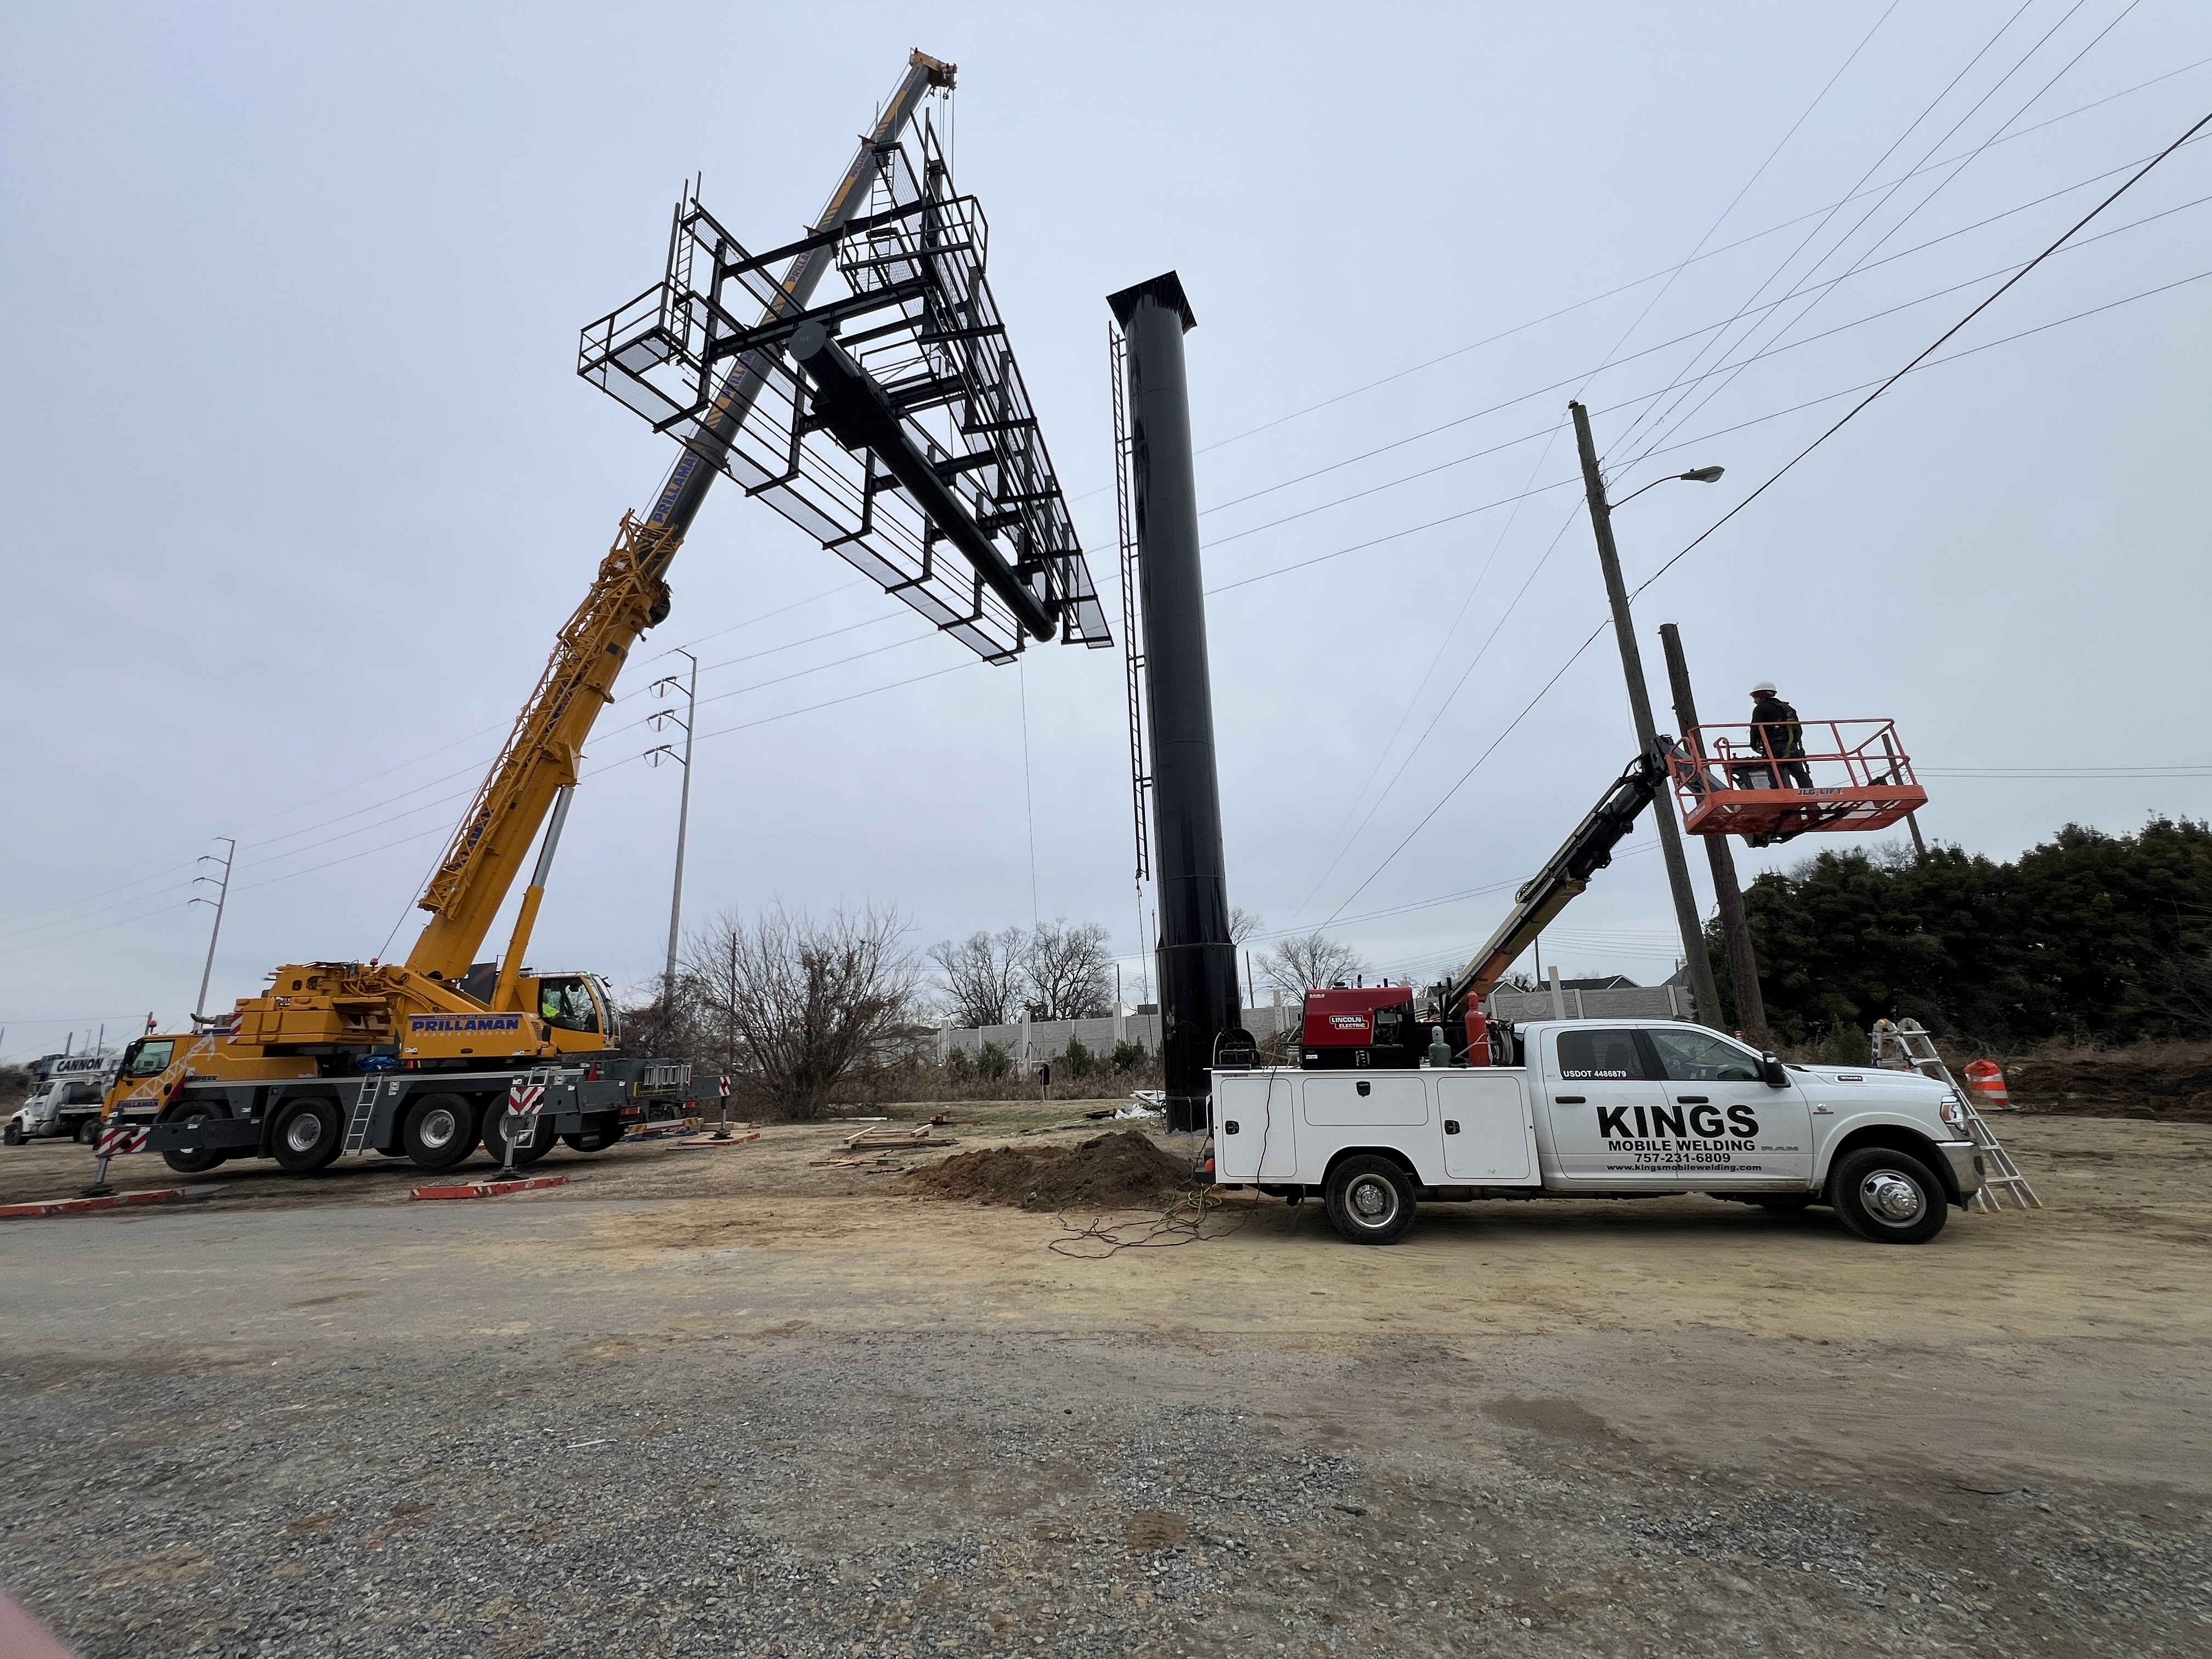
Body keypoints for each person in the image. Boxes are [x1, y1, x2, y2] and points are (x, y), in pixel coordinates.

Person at [1749, 681, 1813, 789]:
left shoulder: (1761, 709)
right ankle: (1811, 794)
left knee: (1775, 774)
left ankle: (1780, 795)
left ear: (1762, 695)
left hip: (1773, 748)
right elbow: (1798, 730)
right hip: (1791, 747)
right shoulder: (1788, 709)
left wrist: (1754, 745)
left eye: (1756, 697)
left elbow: (1755, 728)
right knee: (1799, 773)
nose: (1755, 701)